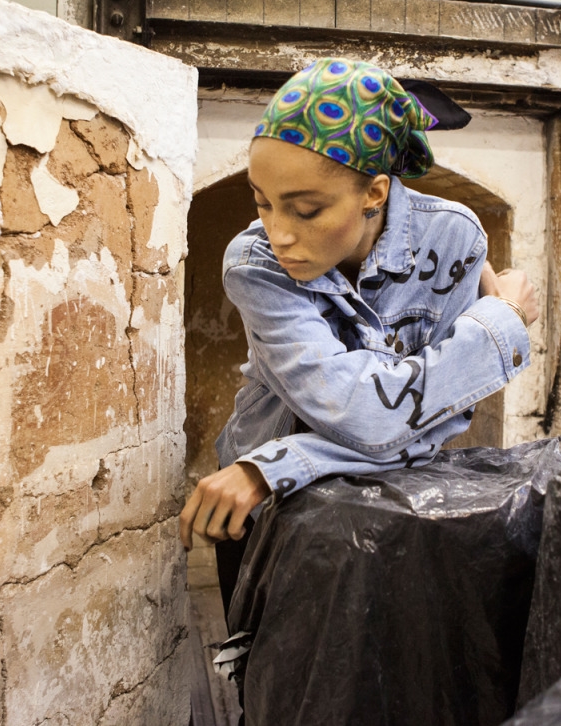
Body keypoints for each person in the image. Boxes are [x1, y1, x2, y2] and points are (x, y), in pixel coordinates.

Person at [180, 57, 538, 612]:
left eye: (304, 210)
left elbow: (433, 416)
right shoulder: (254, 263)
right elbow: (376, 414)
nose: (278, 233)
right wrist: (502, 320)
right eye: (261, 202)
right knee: (269, 679)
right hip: (259, 508)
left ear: (374, 192)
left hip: (371, 499)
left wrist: (278, 465)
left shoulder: (453, 238)